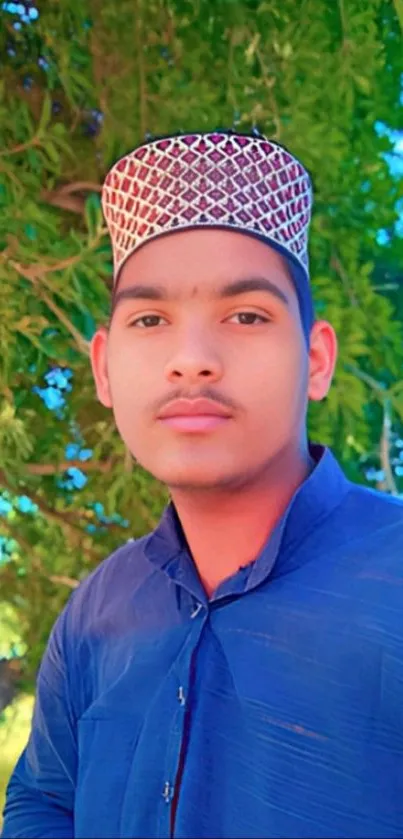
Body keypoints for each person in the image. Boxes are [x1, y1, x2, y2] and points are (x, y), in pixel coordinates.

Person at [2, 129, 403, 839]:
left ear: (315, 359)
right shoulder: (97, 614)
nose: (191, 360)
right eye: (150, 319)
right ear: (102, 367)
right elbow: (44, 801)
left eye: (245, 315)